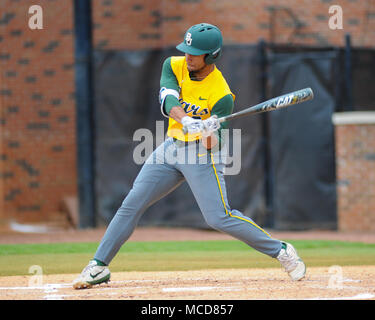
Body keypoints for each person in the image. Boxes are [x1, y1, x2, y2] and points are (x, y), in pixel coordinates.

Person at [72, 23, 306, 289]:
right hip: (172, 147)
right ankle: (99, 265)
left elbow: (214, 145)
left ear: (212, 56)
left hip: (201, 155)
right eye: (187, 49)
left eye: (195, 53)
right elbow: (168, 100)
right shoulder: (173, 65)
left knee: (218, 217)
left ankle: (281, 250)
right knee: (132, 202)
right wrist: (187, 119)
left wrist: (208, 129)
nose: (188, 56)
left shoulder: (222, 95)